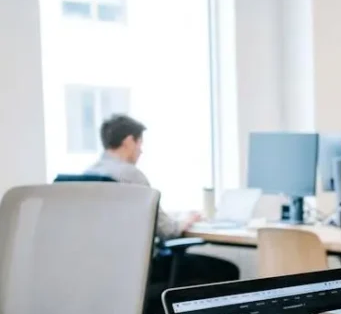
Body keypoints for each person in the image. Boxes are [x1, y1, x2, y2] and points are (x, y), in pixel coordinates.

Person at [85, 114, 238, 293]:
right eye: (140, 144)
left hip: (106, 272)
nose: (141, 151)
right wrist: (186, 220)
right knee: (227, 270)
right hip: (143, 270)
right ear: (129, 141)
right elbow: (167, 230)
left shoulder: (89, 174)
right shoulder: (130, 175)